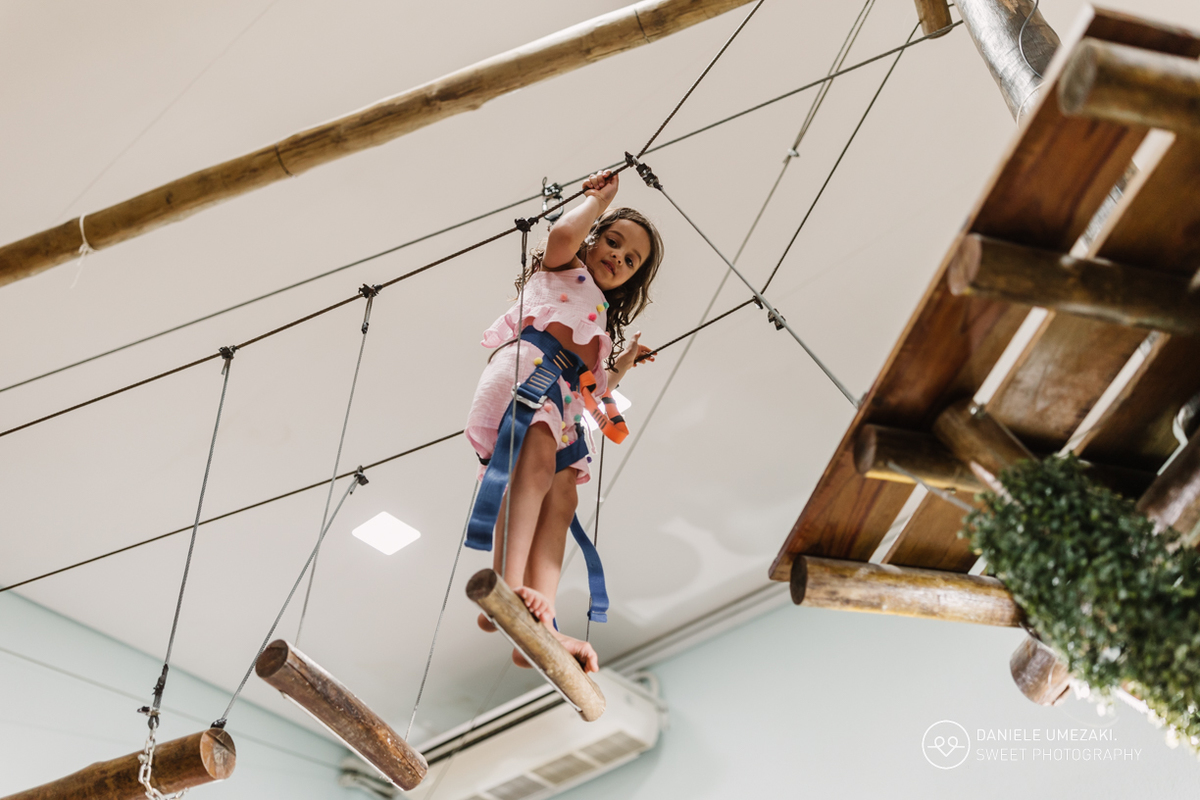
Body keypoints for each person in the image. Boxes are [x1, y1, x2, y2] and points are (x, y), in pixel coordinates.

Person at [465, 169, 664, 672]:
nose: (617, 257)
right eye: (612, 242)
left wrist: (620, 362)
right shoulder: (561, 268)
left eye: (630, 259)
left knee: (563, 496)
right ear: (593, 238)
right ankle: (508, 589)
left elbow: (595, 391)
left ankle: (542, 620)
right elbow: (560, 236)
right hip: (527, 376)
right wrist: (598, 203)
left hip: (563, 402)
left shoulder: (596, 319)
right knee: (530, 470)